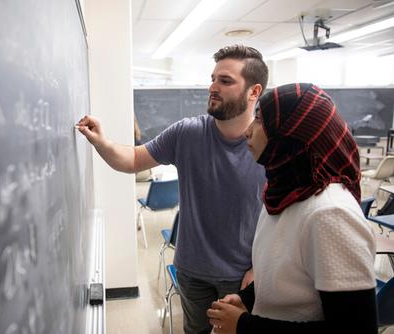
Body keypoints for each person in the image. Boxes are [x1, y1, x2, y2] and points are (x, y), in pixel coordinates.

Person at [76, 45, 268, 333]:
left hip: (244, 275)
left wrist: (259, 267)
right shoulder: (188, 133)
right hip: (193, 271)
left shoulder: (270, 143)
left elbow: (280, 213)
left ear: (254, 92)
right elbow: (132, 159)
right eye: (213, 78)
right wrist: (101, 141)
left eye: (225, 81)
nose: (212, 87)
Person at [207, 83, 378, 333]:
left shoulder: (330, 214)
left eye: (259, 121)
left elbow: (354, 329)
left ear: (291, 132)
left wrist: (244, 325)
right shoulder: (286, 190)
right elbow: (289, 270)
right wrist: (248, 298)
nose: (247, 131)